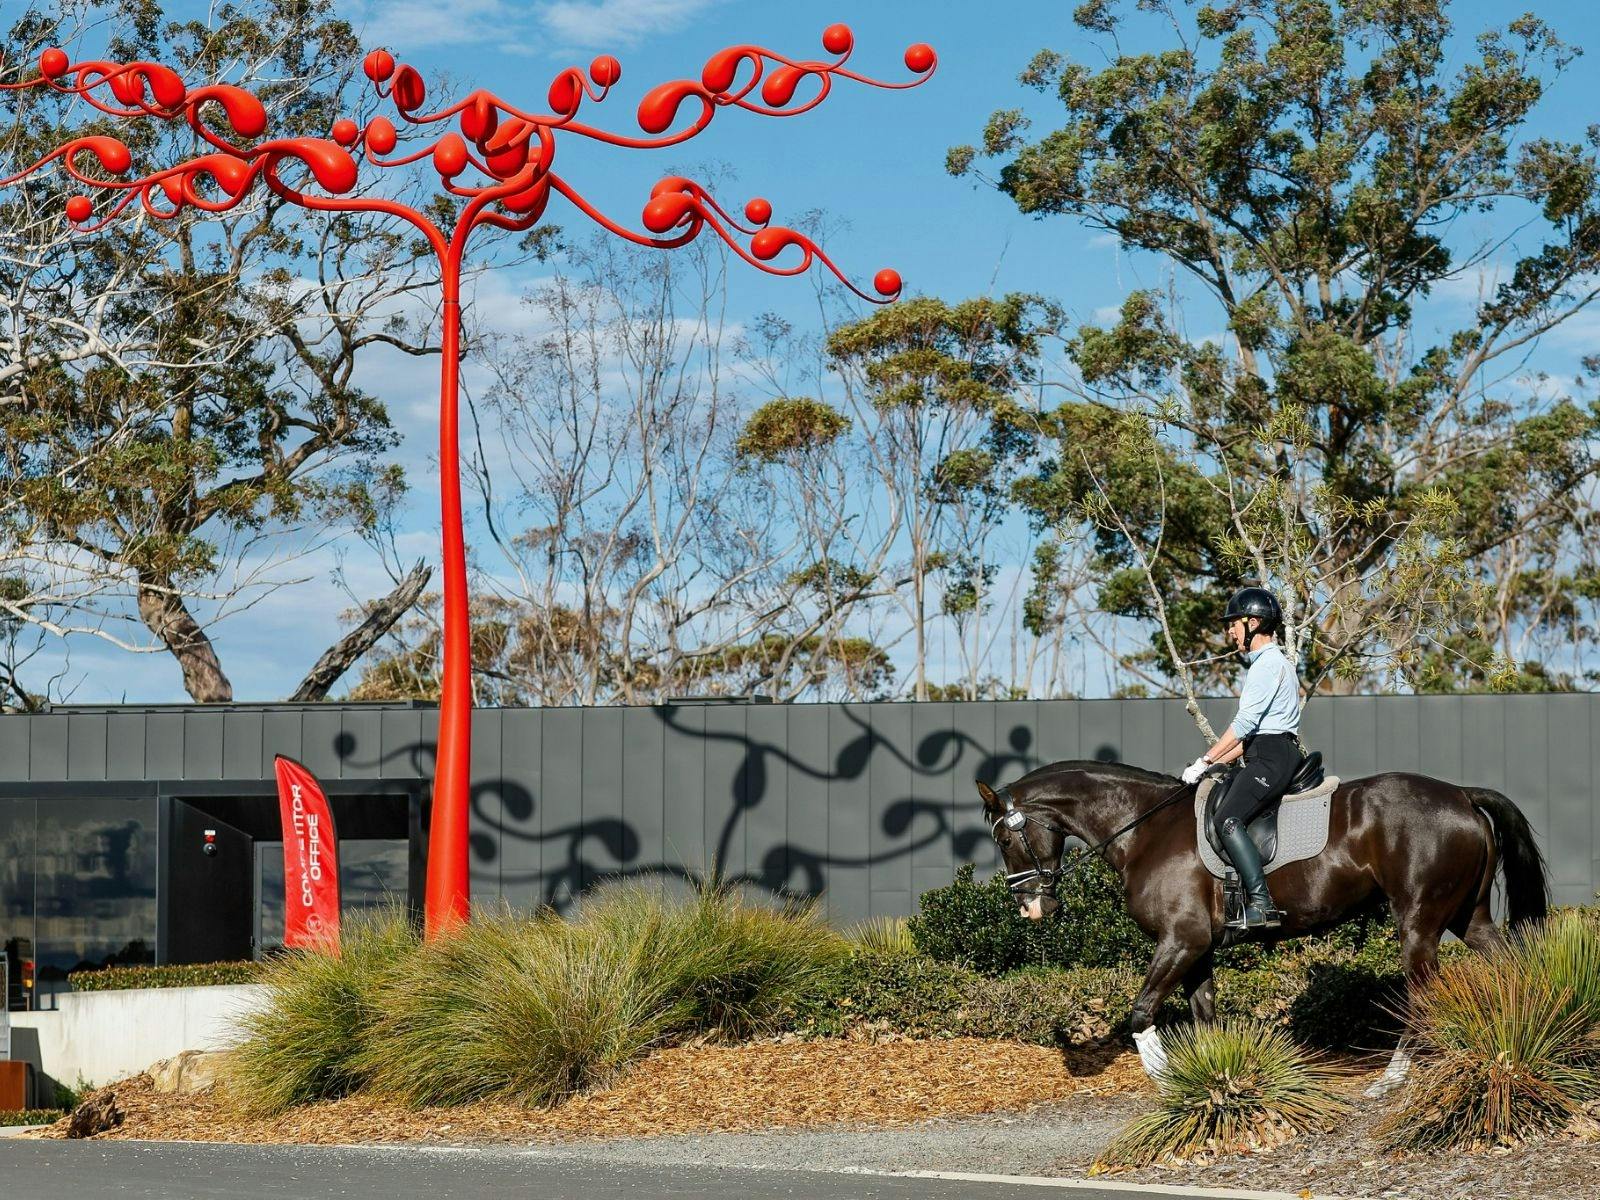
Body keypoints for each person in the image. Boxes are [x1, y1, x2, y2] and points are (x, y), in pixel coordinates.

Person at [1180, 587, 1302, 930]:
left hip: (1271, 758)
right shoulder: (1274, 664)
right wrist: (1218, 762)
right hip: (1267, 751)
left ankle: (1262, 904)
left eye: (1234, 624)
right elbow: (1250, 739)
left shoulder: (1266, 665)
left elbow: (1245, 725)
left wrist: (1205, 760)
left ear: (1253, 622)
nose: (1230, 631)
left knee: (1228, 819)